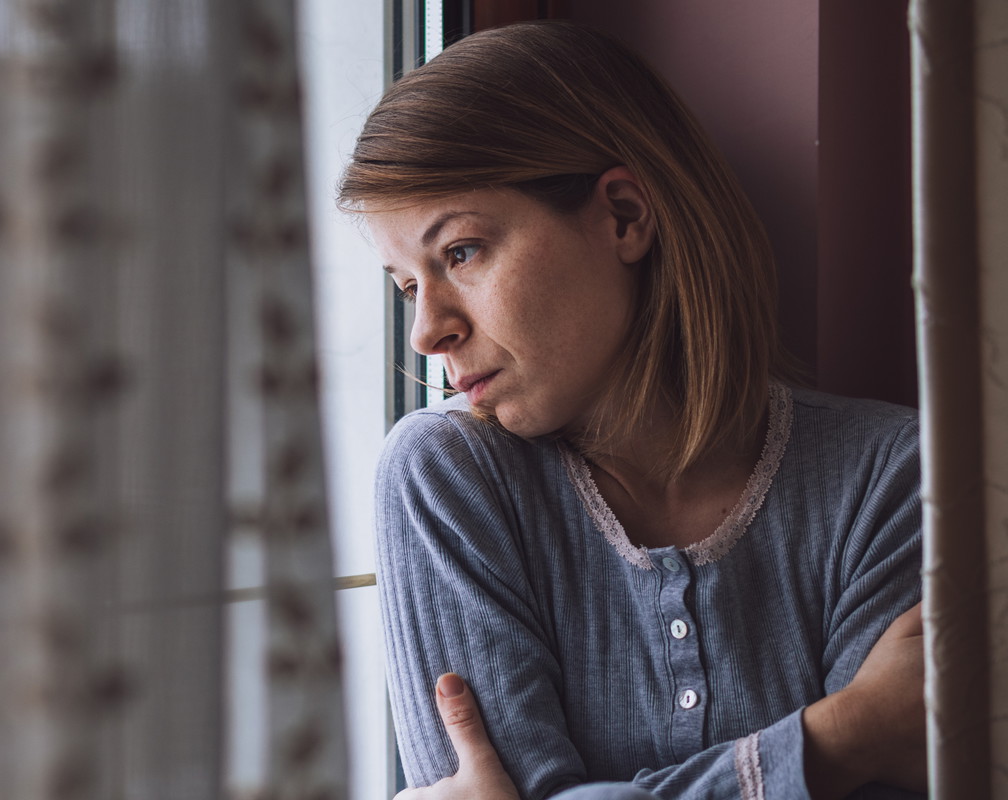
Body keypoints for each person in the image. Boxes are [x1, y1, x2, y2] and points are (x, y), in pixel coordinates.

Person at [338, 21, 925, 800]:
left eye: (461, 252)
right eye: (408, 284)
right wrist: (844, 736)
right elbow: (884, 744)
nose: (426, 331)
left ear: (623, 215)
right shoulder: (443, 480)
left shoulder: (890, 477)